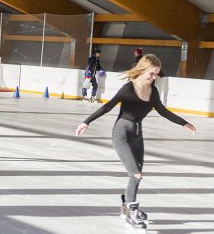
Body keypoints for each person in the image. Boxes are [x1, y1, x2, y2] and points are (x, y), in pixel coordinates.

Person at [75, 54, 196, 231]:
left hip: (138, 135)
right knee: (136, 174)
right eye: (152, 74)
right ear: (144, 69)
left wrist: (184, 123)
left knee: (136, 176)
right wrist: (87, 121)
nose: (154, 77)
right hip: (121, 134)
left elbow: (163, 111)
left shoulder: (153, 91)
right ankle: (131, 212)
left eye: (156, 74)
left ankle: (127, 206)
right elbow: (108, 106)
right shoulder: (128, 88)